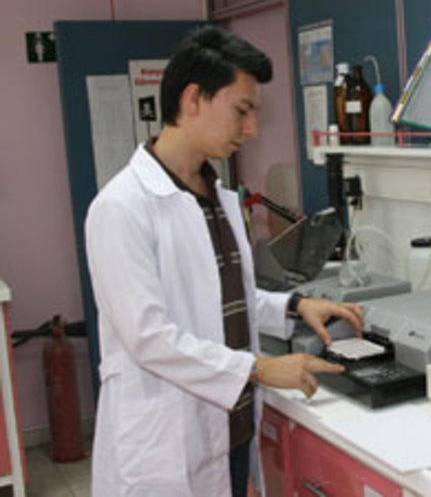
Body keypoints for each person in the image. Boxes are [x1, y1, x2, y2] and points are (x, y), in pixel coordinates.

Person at [85, 26, 363, 497]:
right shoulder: (122, 207)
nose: (251, 129)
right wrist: (259, 369)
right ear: (193, 99)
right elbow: (149, 338)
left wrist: (295, 307)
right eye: (242, 110)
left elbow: (218, 298)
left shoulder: (216, 196)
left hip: (230, 432)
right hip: (165, 449)